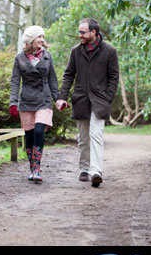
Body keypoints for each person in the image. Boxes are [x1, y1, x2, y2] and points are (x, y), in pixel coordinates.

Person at [57, 19, 120, 187]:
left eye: (83, 32)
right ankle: (84, 168)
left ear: (93, 32)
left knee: (96, 135)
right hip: (81, 99)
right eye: (79, 32)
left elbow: (114, 77)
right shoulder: (76, 51)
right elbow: (68, 74)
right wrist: (62, 96)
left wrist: (108, 98)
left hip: (100, 101)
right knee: (83, 138)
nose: (80, 35)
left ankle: (96, 172)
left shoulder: (109, 51)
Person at [9, 26, 60, 183]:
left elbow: (52, 79)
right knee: (29, 135)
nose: (43, 40)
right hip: (26, 101)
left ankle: (37, 169)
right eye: (39, 37)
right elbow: (15, 81)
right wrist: (13, 102)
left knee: (39, 131)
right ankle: (32, 168)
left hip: (43, 100)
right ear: (31, 40)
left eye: (43, 37)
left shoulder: (47, 56)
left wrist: (58, 98)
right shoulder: (19, 58)